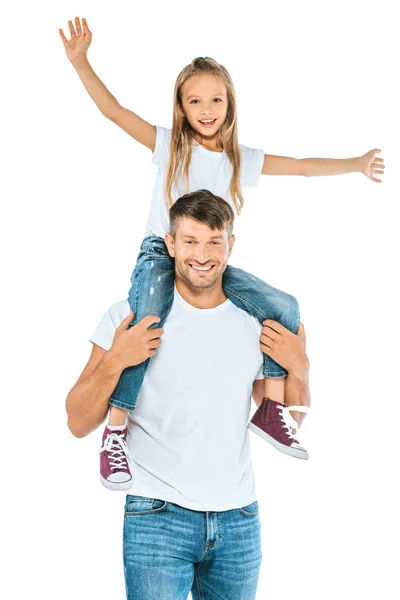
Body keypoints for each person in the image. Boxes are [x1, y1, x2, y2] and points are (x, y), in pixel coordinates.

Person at [59, 17, 384, 488]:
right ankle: (115, 431)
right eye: (195, 101)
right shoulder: (172, 146)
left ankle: (272, 410)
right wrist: (81, 62)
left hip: (211, 261)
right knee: (146, 324)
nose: (206, 109)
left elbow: (301, 168)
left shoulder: (240, 159)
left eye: (216, 99)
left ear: (229, 104)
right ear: (181, 107)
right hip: (162, 254)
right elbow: (114, 111)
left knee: (285, 307)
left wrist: (354, 164)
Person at [65, 191, 311, 600]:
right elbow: (77, 421)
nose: (203, 255)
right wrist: (117, 360)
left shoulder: (254, 322)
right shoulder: (130, 315)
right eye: (191, 241)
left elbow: (286, 420)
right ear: (171, 244)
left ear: (231, 245)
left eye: (214, 241)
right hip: (158, 519)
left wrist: (299, 366)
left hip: (239, 521)